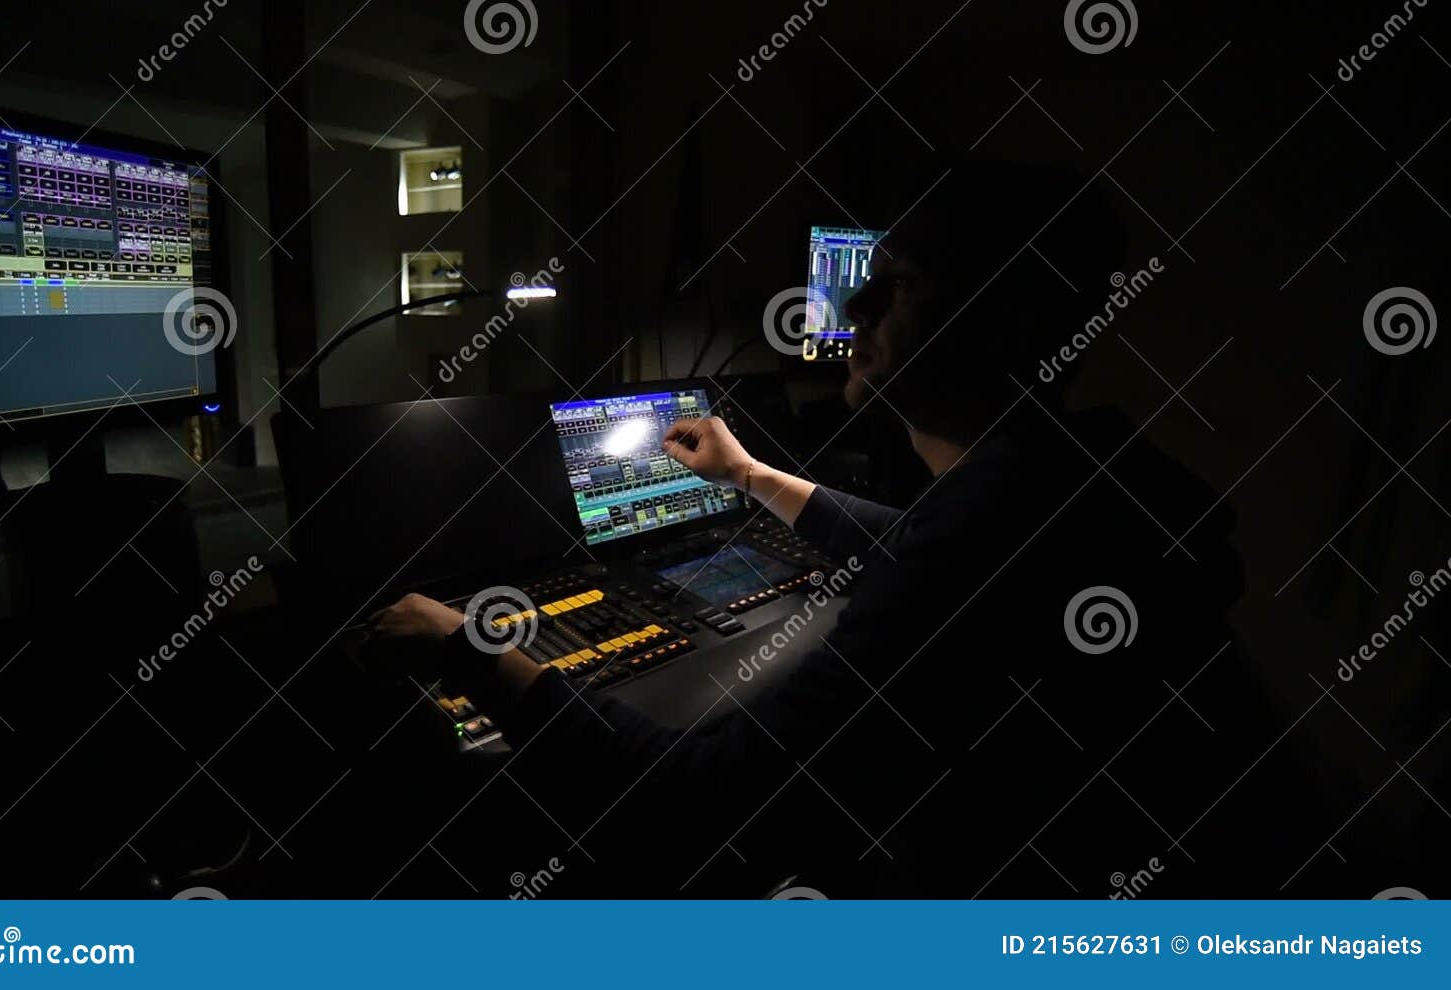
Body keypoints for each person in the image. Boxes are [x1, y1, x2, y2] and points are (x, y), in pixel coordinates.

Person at [368, 162, 1245, 896]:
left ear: (999, 315)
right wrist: (748, 475)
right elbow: (914, 544)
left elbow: (694, 801)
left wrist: (468, 646)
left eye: (896, 283)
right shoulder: (1079, 482)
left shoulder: (990, 534)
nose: (854, 307)